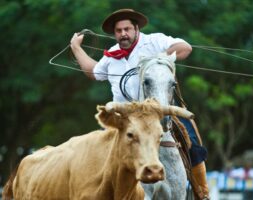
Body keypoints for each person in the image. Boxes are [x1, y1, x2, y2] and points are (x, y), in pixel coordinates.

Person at [70, 8, 209, 199]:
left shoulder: (154, 41)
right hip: (123, 119)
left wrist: (156, 59)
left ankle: (202, 191)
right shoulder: (112, 54)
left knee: (189, 136)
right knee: (96, 157)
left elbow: (185, 48)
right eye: (118, 31)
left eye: (127, 29)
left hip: (157, 112)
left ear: (136, 28)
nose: (123, 34)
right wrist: (76, 48)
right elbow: (93, 72)